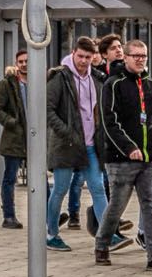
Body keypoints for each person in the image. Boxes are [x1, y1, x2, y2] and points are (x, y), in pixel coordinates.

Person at [87, 39, 152, 271]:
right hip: (121, 158)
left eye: (143, 56)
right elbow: (109, 122)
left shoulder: (150, 86)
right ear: (125, 57)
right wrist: (129, 147)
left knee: (151, 204)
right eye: (135, 55)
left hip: (150, 157)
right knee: (117, 204)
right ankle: (102, 243)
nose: (140, 60)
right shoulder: (113, 84)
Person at [43, 40, 110, 254]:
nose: (83, 61)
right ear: (73, 53)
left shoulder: (97, 78)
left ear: (94, 58)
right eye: (80, 56)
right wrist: (67, 132)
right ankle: (51, 233)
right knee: (60, 188)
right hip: (66, 144)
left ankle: (108, 233)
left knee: (98, 188)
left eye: (88, 57)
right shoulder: (59, 77)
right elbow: (48, 108)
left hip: (91, 144)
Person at [0, 49, 31, 229]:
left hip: (34, 138)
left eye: (27, 61)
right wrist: (11, 122)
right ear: (16, 63)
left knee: (40, 177)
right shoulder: (7, 84)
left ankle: (47, 213)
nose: (24, 64)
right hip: (14, 138)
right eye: (20, 61)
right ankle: (9, 215)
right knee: (10, 178)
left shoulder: (40, 82)